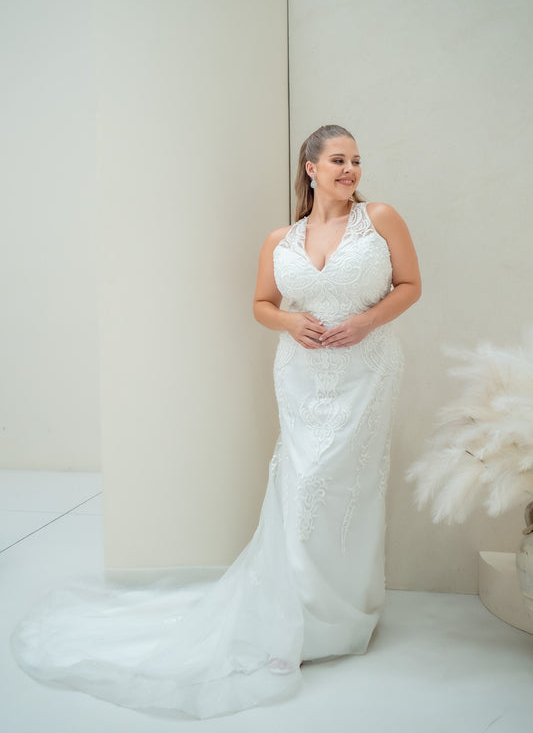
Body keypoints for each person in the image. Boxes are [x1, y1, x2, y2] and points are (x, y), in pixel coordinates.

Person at [11, 124, 420, 720]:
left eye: (356, 160)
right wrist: (290, 324)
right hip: (302, 376)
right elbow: (261, 304)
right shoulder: (281, 238)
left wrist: (366, 322)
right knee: (300, 483)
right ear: (310, 167)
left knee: (345, 485)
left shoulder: (380, 218)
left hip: (367, 368)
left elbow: (411, 285)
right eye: (338, 160)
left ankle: (345, 614)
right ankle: (295, 616)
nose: (350, 170)